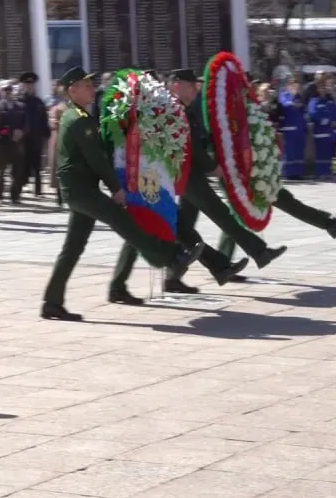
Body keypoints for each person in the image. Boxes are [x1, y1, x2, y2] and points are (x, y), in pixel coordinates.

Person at [41, 68, 204, 321]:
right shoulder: (78, 119)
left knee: (72, 248)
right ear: (72, 90)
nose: (92, 89)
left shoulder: (77, 114)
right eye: (86, 86)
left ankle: (51, 302)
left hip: (79, 190)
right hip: (81, 191)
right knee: (123, 220)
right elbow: (96, 159)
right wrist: (116, 188)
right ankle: (171, 257)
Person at [107, 69, 253, 297]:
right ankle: (118, 285)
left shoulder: (157, 111)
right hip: (137, 178)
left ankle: (216, 266)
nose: (155, 90)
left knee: (174, 227)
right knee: (140, 230)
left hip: (155, 176)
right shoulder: (128, 111)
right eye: (150, 86)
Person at [18, 72, 50, 198]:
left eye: (31, 85)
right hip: (23, 139)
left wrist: (45, 134)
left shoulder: (39, 102)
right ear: (23, 86)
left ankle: (38, 190)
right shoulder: (19, 101)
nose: (29, 87)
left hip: (36, 138)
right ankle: (19, 188)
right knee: (22, 164)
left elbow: (44, 119)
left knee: (37, 165)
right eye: (26, 85)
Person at [0, 81, 26, 204]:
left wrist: (21, 132)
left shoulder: (21, 107)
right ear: (1, 92)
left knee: (17, 171)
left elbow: (26, 123)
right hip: (3, 144)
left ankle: (15, 195)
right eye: (5, 90)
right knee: (0, 172)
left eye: (9, 90)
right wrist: (9, 133)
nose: (7, 93)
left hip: (17, 144)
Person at [308, 84, 336, 177]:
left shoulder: (329, 102)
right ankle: (320, 172)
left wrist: (334, 120)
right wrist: (321, 119)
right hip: (320, 131)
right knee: (320, 153)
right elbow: (312, 113)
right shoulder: (314, 101)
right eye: (321, 88)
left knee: (328, 152)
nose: (323, 90)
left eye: (324, 88)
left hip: (329, 131)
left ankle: (327, 171)